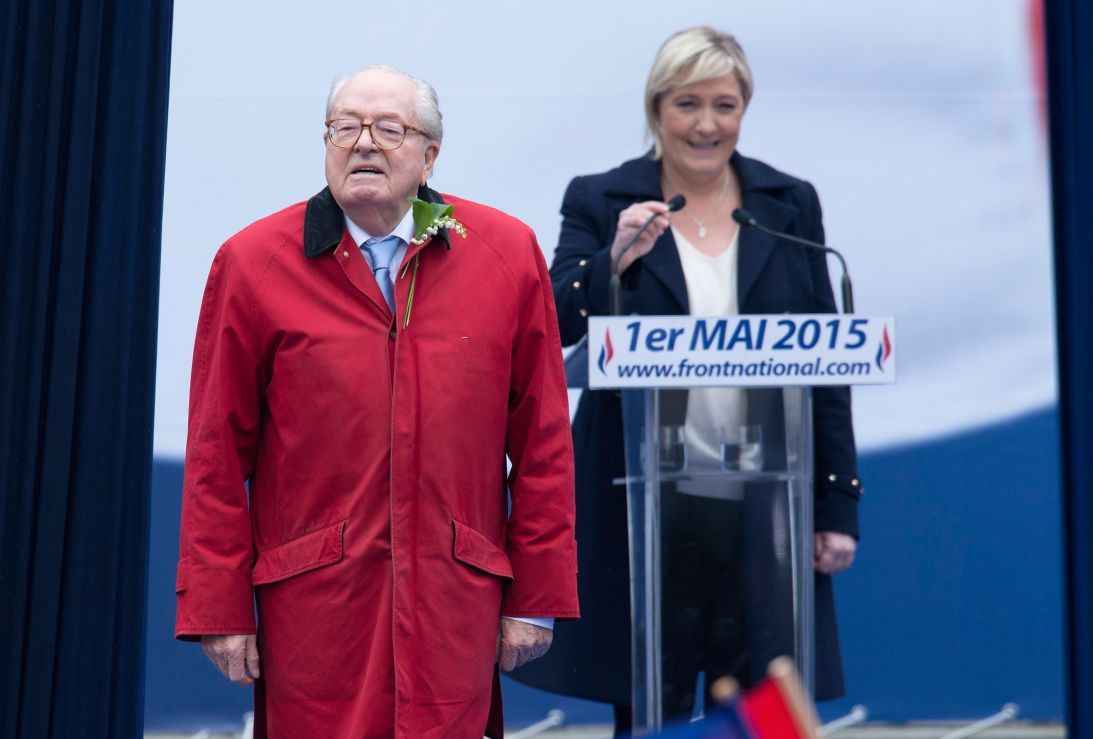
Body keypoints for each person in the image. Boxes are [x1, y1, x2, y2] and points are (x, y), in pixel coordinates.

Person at [174, 64, 579, 739]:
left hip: (454, 603)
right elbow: (216, 453)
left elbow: (541, 442)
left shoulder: (506, 253)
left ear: (430, 156)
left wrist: (537, 598)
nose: (363, 143)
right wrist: (219, 606)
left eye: (390, 129)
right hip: (315, 610)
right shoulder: (252, 263)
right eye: (345, 127)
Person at [509, 26, 862, 728]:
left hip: (767, 505)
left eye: (725, 106)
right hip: (643, 502)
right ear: (655, 109)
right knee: (649, 704)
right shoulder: (602, 198)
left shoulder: (789, 205)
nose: (707, 125)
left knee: (764, 706)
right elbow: (552, 321)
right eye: (687, 104)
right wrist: (612, 260)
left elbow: (825, 369)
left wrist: (835, 508)